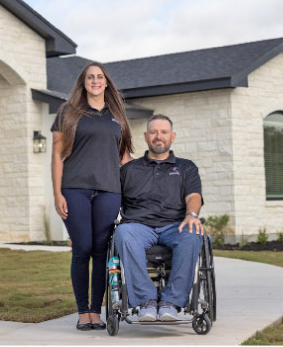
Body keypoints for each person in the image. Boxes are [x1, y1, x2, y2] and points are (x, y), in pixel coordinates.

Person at [51, 62, 133, 331]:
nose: (95, 81)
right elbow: (57, 155)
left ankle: (96, 312)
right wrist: (57, 193)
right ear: (83, 82)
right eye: (90, 77)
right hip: (75, 190)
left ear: (106, 82)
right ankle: (81, 311)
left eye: (100, 77)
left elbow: (124, 158)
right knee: (82, 248)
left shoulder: (117, 115)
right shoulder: (69, 113)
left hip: (109, 191)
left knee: (101, 252)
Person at [114, 114, 204, 322]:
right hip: (138, 226)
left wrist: (191, 215)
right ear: (146, 136)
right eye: (153, 132)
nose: (158, 136)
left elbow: (193, 196)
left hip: (175, 226)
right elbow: (111, 199)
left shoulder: (186, 167)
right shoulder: (129, 170)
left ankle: (170, 302)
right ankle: (146, 300)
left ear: (172, 137)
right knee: (123, 232)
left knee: (193, 233)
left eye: (163, 132)